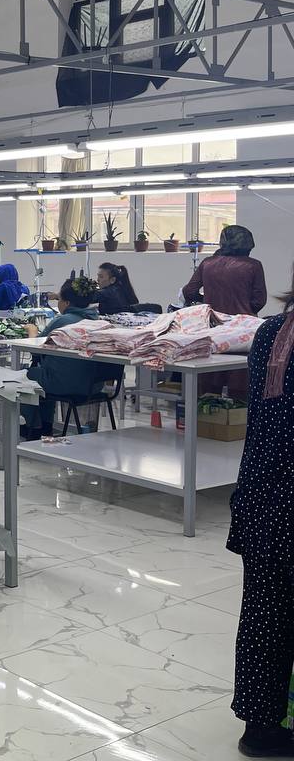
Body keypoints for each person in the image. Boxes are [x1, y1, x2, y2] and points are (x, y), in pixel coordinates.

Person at [227, 272, 294, 757]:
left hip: (263, 495)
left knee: (265, 612)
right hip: (281, 495)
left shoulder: (272, 331)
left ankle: (261, 723)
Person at [20, 277, 122, 440]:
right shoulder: (97, 321)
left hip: (67, 384)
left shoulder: (63, 321)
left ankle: (32, 426)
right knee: (45, 373)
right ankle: (45, 425)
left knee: (25, 376)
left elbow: (35, 349)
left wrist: (31, 330)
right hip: (94, 385)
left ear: (66, 303)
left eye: (59, 300)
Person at [183, 224, 267, 316]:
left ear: (222, 242)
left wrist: (206, 301)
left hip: (213, 319)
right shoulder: (253, 265)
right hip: (244, 320)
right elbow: (259, 301)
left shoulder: (207, 263)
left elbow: (189, 291)